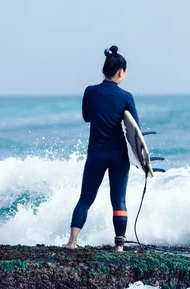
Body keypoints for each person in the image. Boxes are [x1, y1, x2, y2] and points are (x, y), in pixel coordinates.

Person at [62, 45, 139, 252]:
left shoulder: (90, 91)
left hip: (96, 153)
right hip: (118, 155)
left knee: (85, 199)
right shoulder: (126, 96)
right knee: (119, 200)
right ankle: (119, 246)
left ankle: (72, 242)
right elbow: (135, 132)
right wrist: (143, 160)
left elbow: (87, 117)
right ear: (121, 71)